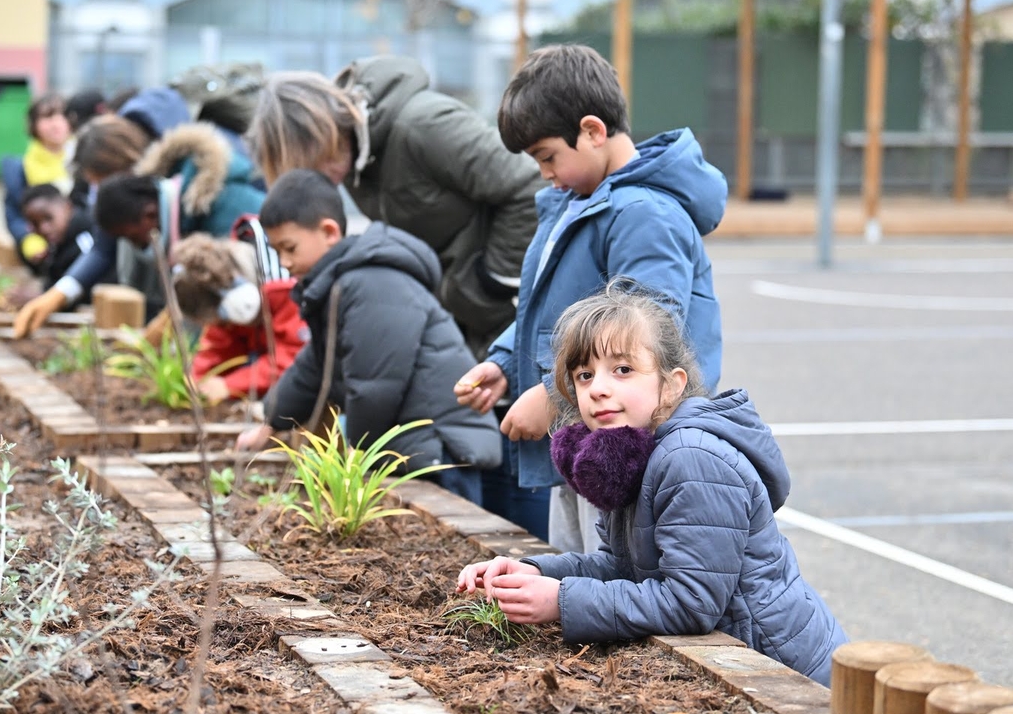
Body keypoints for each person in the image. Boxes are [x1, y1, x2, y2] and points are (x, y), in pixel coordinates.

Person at [456, 282, 847, 686]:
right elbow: (619, 566)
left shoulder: (691, 459)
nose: (599, 388)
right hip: (737, 663)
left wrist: (561, 601)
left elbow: (692, 603)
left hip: (787, 674)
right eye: (584, 375)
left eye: (623, 369)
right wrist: (533, 571)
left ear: (672, 384)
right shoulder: (630, 453)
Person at [455, 44, 727, 552]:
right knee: (579, 574)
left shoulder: (644, 214)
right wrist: (503, 363)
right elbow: (555, 309)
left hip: (632, 447)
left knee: (620, 580)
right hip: (586, 434)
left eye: (547, 156)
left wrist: (553, 394)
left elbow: (650, 330)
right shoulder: (578, 203)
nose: (544, 173)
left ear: (593, 132)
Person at [233, 169, 500, 504]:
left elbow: (375, 387)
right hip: (417, 446)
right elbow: (314, 366)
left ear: (329, 231)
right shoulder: (334, 286)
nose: (285, 263)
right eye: (277, 252)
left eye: (290, 248)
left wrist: (353, 460)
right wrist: (271, 421)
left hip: (442, 450)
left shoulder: (371, 284)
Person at [247, 59, 544, 359]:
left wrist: (492, 280)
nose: (320, 179)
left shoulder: (424, 125)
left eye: (312, 162)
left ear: (321, 133)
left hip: (512, 310)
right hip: (461, 319)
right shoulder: (351, 164)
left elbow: (530, 186)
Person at [12, 121, 265, 337]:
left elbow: (221, 279)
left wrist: (169, 323)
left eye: (104, 182)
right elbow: (103, 247)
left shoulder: (206, 194)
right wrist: (57, 295)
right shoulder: (147, 203)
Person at [170, 232, 306, 405]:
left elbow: (294, 359)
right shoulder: (230, 306)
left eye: (224, 322)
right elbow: (219, 346)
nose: (226, 326)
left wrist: (230, 385)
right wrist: (197, 380)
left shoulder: (289, 291)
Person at [1, 93, 78, 271]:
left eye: (61, 116)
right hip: (44, 250)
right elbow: (14, 215)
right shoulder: (21, 168)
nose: (55, 123)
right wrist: (29, 241)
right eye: (47, 117)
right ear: (33, 125)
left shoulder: (84, 156)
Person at [18, 183, 107, 304]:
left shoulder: (88, 239)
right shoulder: (59, 242)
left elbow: (93, 285)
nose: (44, 228)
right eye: (35, 224)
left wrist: (44, 297)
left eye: (48, 218)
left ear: (67, 208)